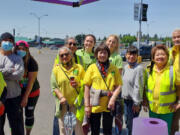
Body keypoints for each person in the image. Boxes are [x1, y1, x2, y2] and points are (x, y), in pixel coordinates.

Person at [84, 43, 122, 135]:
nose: (102, 55)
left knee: (107, 130)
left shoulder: (113, 68)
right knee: (94, 130)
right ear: (96, 54)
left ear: (108, 54)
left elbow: (119, 85)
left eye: (105, 53)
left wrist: (113, 99)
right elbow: (87, 87)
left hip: (109, 103)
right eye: (100, 53)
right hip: (95, 103)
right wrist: (87, 105)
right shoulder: (92, 68)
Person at [145, 44, 178, 135]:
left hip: (167, 111)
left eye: (163, 54)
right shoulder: (149, 70)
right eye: (157, 55)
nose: (160, 57)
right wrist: (144, 100)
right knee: (153, 131)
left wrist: (179, 103)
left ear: (167, 56)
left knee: (164, 132)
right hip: (153, 110)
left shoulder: (172, 71)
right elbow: (145, 87)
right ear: (153, 58)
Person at [51, 46, 85, 135]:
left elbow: (86, 83)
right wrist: (61, 97)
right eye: (61, 55)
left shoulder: (79, 68)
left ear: (71, 55)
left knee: (78, 129)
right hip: (63, 105)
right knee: (63, 129)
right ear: (59, 57)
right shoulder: (56, 70)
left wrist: (78, 83)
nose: (64, 57)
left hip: (76, 104)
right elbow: (54, 87)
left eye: (66, 54)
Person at [0, 32, 24, 135]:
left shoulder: (17, 58)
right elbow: (13, 74)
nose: (8, 43)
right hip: (0, 99)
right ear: (0, 42)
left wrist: (1, 73)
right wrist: (9, 70)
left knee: (16, 126)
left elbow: (18, 75)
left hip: (14, 97)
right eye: (5, 40)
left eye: (10, 41)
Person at [14, 40, 40, 135]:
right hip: (17, 93)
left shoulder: (31, 62)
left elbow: (31, 82)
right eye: (19, 49)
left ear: (27, 50)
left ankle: (27, 133)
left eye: (23, 49)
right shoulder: (13, 60)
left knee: (29, 115)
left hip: (31, 92)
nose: (21, 51)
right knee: (16, 115)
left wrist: (25, 98)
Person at [121, 46, 144, 135]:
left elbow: (139, 86)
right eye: (129, 54)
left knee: (132, 124)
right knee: (127, 122)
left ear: (137, 56)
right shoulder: (126, 67)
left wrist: (137, 103)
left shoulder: (139, 69)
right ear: (126, 55)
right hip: (126, 100)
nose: (131, 56)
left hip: (133, 102)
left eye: (134, 54)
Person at [105, 35, 124, 134]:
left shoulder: (117, 57)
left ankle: (118, 132)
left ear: (116, 45)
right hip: (104, 90)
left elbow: (118, 76)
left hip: (114, 90)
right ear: (106, 42)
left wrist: (113, 91)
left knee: (117, 115)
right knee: (106, 115)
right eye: (109, 41)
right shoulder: (102, 54)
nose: (111, 43)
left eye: (113, 42)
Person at [169, 29, 180, 135]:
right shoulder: (172, 51)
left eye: (179, 36)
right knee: (173, 123)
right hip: (173, 91)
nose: (177, 39)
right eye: (174, 37)